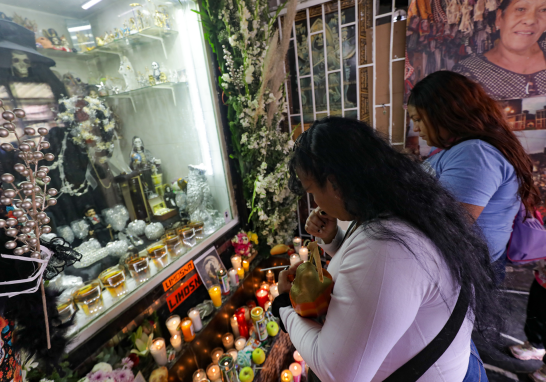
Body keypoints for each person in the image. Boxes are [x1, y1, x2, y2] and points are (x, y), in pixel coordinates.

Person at [273, 116, 502, 382]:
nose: (315, 201)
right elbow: (387, 285)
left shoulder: (385, 250)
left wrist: (283, 308)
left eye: (312, 190)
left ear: (334, 184)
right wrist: (334, 239)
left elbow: (339, 374)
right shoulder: (401, 209)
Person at [407, 71, 540, 282]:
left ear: (445, 114)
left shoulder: (475, 154)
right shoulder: (459, 148)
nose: (415, 128)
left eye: (418, 119)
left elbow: (450, 223)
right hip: (462, 264)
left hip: (468, 271)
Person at [452, 0, 546, 99]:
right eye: (521, 9)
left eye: (543, 10)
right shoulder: (467, 74)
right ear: (499, 17)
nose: (531, 20)